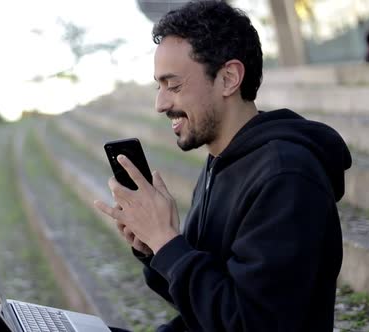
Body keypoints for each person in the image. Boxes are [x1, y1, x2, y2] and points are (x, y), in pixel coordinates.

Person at [93, 1, 351, 331]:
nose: (160, 103)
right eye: (158, 86)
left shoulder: (286, 176)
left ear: (228, 78)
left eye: (173, 85)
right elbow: (206, 302)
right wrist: (157, 247)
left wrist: (168, 244)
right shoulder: (221, 160)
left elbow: (249, 323)